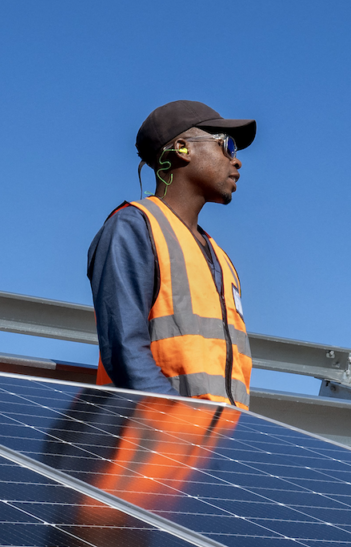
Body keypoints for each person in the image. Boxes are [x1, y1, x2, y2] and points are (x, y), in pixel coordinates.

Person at [87, 99, 256, 407]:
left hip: (217, 442)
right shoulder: (133, 227)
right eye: (227, 145)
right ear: (182, 147)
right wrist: (176, 425)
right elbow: (126, 351)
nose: (237, 160)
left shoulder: (220, 257)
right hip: (156, 445)